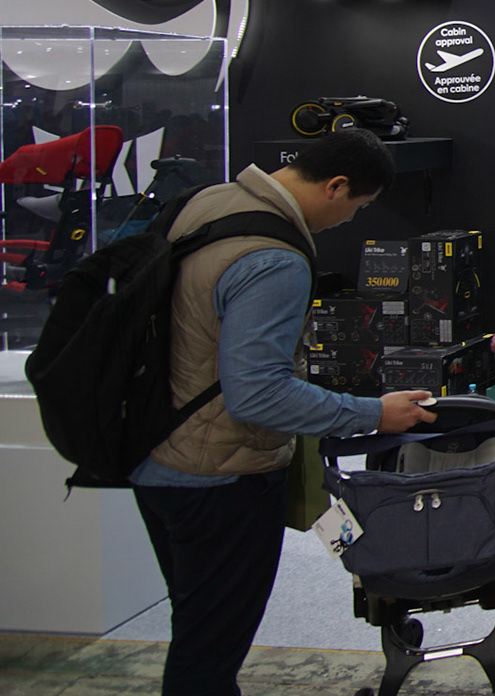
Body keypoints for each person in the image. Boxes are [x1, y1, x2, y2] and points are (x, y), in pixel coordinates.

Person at [129, 129, 437, 696]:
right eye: (358, 206)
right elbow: (257, 393)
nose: (350, 220)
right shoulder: (275, 258)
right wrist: (372, 413)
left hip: (157, 454)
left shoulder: (208, 203)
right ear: (336, 185)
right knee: (208, 650)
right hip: (221, 477)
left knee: (198, 625)